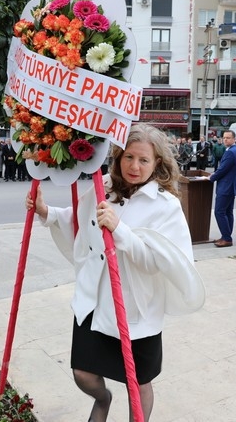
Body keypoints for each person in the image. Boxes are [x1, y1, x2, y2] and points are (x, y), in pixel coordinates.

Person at [25, 123, 204, 421]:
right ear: (118, 156)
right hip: (95, 299)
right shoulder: (103, 186)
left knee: (138, 382)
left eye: (144, 160)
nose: (135, 166)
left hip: (136, 307)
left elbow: (159, 262)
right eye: (129, 157)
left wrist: (120, 230)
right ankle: (103, 399)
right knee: (83, 373)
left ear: (157, 162)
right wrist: (46, 212)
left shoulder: (166, 206)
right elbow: (78, 220)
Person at [208, 130, 236, 247]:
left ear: (234, 139)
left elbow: (222, 169)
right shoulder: (233, 150)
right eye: (224, 137)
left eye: (228, 138)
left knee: (219, 212)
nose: (225, 140)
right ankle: (226, 236)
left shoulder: (231, 152)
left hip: (226, 187)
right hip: (230, 186)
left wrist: (211, 178)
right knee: (228, 212)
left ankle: (227, 238)